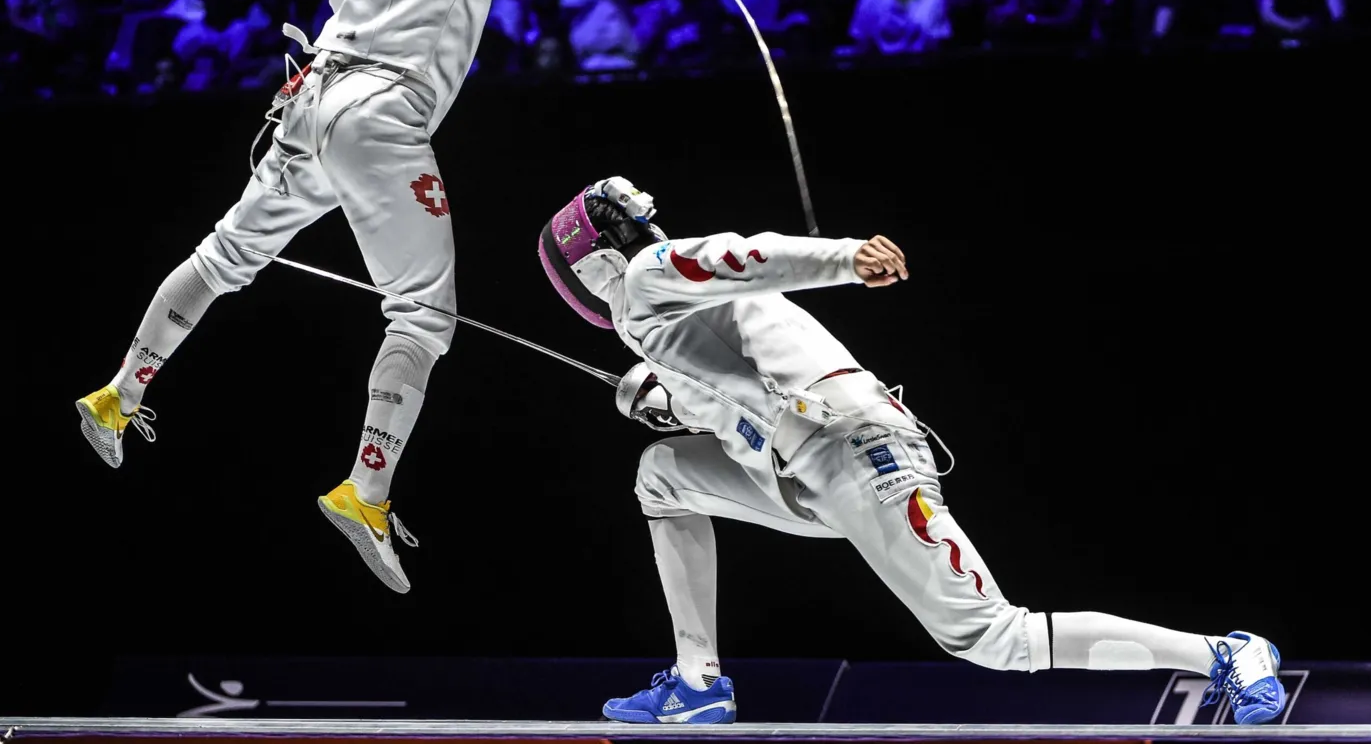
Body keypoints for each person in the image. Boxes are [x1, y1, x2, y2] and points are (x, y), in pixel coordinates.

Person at [73, 0, 712, 596]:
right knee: (421, 315)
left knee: (225, 255)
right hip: (378, 112)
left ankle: (118, 393)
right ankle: (365, 492)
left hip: (313, 98)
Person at [537, 177, 1287, 726]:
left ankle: (1225, 654)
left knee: (992, 637)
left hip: (857, 453)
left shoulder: (650, 275)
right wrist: (668, 400)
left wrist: (844, 258)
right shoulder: (666, 317)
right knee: (662, 475)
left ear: (591, 262)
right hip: (808, 469)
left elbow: (741, 254)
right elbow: (743, 395)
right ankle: (697, 684)